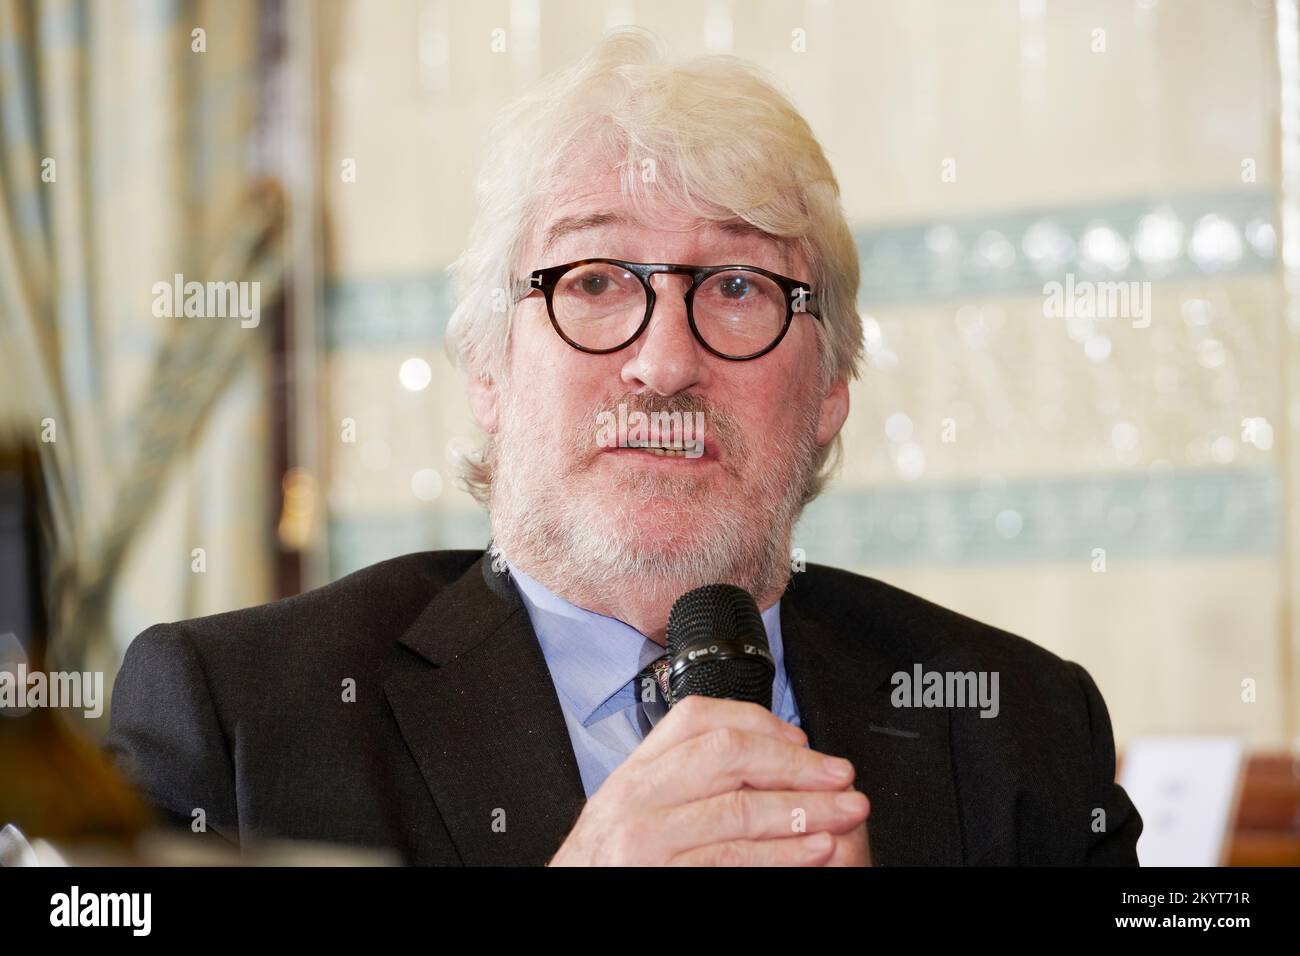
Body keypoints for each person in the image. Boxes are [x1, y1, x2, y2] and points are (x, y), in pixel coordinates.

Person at [105, 27, 1141, 866]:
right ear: (489, 370)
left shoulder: (1023, 726)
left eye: (737, 287)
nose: (663, 360)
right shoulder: (237, 718)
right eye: (594, 280)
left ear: (829, 389)